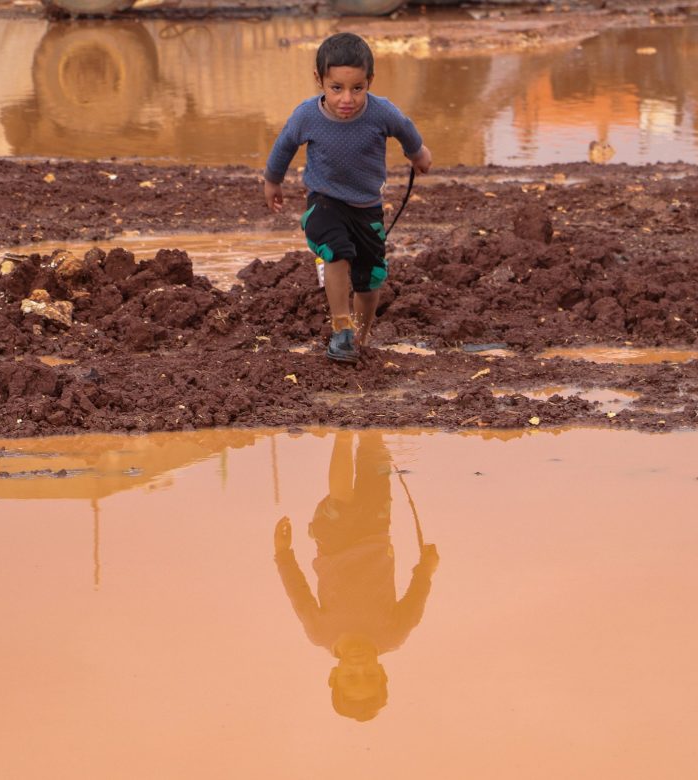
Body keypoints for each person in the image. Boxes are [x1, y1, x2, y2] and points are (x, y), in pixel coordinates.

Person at [263, 32, 433, 365]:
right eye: (336, 88)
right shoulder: (307, 116)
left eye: (357, 88)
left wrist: (418, 153)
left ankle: (359, 336)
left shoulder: (381, 112)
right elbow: (284, 145)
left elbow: (405, 127)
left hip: (366, 207)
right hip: (324, 200)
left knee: (369, 280)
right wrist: (272, 181)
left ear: (370, 81)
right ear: (319, 81)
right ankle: (341, 326)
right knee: (336, 251)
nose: (347, 99)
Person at [273, 431, 439, 721]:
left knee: (342, 503)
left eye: (351, 677)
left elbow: (297, 591)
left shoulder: (320, 633)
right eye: (369, 676)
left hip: (333, 543)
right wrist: (425, 567)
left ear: (333, 677)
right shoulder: (394, 634)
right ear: (382, 673)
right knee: (376, 470)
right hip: (376, 533)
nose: (360, 667)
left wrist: (283, 552)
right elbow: (415, 600)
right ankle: (370, 429)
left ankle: (344, 436)